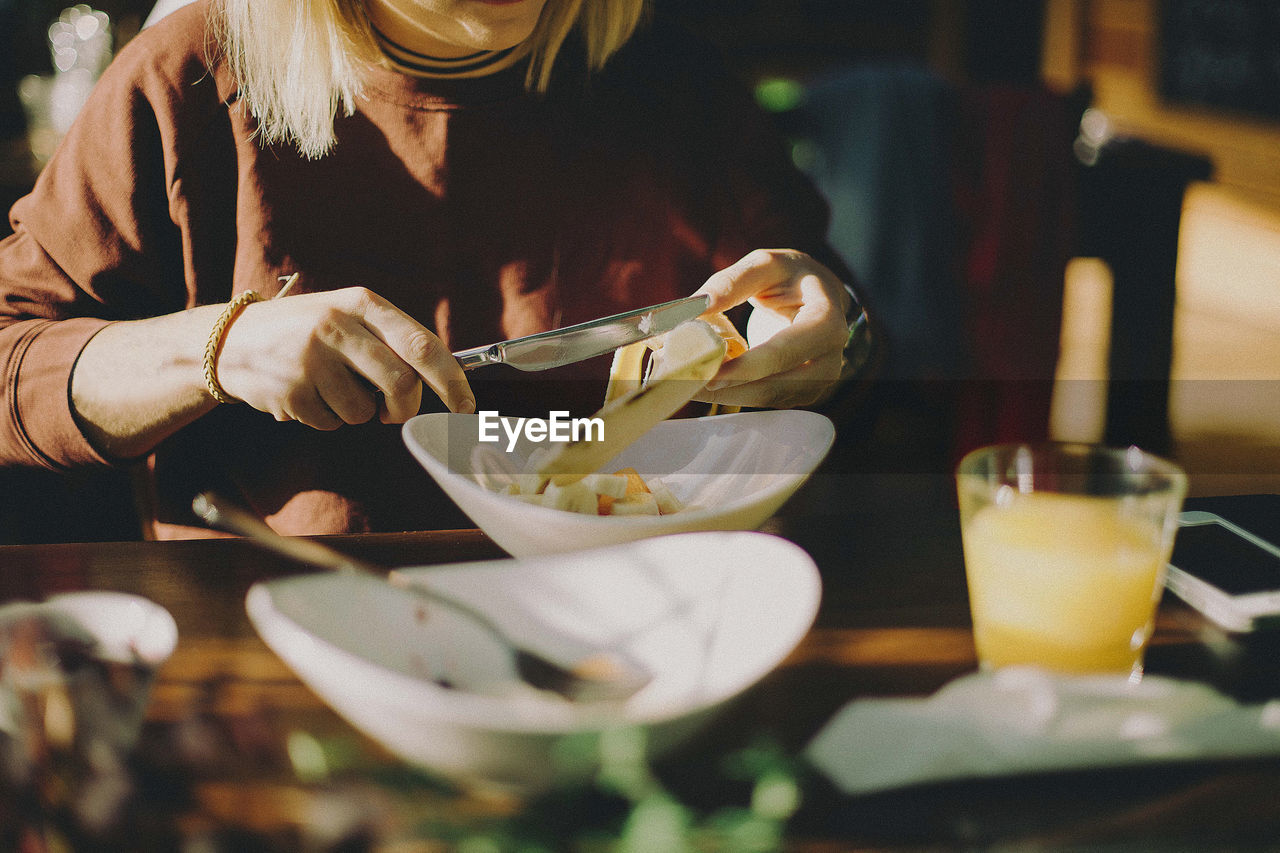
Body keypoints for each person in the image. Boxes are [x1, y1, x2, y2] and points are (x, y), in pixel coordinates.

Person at [0, 0, 869, 538]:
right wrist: (217, 348)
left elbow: (830, 319)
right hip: (292, 653)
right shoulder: (187, 76)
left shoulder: (673, 80)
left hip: (632, 632)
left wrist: (829, 340)